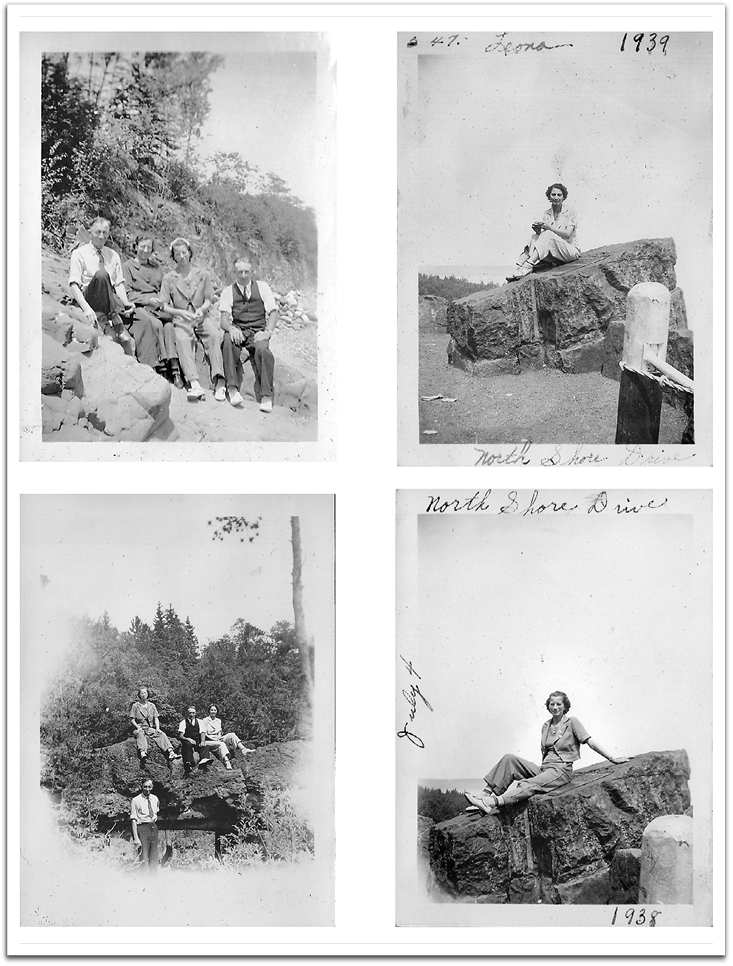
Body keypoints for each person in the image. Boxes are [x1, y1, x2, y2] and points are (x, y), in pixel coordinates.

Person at [464, 690, 631, 815]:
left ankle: (492, 802)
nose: (555, 707)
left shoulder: (572, 722)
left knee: (529, 784)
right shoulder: (546, 725)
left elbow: (590, 741)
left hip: (561, 770)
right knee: (509, 759)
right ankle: (483, 795)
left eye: (559, 704)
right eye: (552, 704)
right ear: (548, 706)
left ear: (565, 706)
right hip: (545, 769)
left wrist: (611, 758)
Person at [159, 237, 226, 401]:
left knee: (214, 335)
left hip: (201, 317)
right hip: (182, 319)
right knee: (182, 339)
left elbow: (209, 299)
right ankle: (194, 383)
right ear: (173, 256)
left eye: (184, 253)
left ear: (190, 254)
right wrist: (180, 313)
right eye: (177, 254)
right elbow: (164, 305)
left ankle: (220, 383)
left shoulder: (203, 274)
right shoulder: (169, 278)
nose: (181, 256)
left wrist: (202, 309)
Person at [68, 217, 137, 353]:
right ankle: (114, 317)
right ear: (90, 232)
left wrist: (126, 302)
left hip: (107, 298)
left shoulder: (113, 255)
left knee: (107, 280)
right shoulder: (79, 254)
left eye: (105, 233)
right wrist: (86, 309)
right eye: (97, 232)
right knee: (101, 275)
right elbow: (74, 284)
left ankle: (113, 314)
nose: (101, 236)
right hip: (89, 295)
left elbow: (118, 284)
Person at [122, 236, 183, 386]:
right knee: (155, 324)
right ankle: (160, 366)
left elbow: (164, 288)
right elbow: (128, 293)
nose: (145, 250)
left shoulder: (156, 267)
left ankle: (174, 369)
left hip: (157, 305)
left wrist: (162, 300)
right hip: (141, 305)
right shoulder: (127, 266)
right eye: (142, 246)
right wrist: (147, 300)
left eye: (149, 247)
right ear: (136, 246)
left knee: (169, 326)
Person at [219, 257, 279, 411]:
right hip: (240, 330)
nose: (244, 275)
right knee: (227, 340)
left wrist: (267, 332)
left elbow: (273, 312)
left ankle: (266, 395)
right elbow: (224, 320)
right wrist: (232, 329)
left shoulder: (263, 287)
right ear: (234, 273)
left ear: (252, 271)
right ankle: (232, 388)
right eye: (240, 272)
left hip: (258, 331)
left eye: (247, 271)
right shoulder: (228, 291)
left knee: (263, 350)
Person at [506, 183, 581, 281]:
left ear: (564, 197)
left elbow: (567, 234)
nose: (556, 197)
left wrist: (549, 228)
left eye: (559, 195)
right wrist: (538, 232)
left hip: (570, 251)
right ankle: (519, 267)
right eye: (553, 195)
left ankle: (528, 266)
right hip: (555, 255)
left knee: (548, 234)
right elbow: (545, 242)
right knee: (534, 237)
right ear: (549, 197)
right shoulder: (547, 213)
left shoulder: (571, 211)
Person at [129, 686, 180, 769]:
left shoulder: (152, 705)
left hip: (149, 728)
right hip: (139, 727)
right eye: (141, 693)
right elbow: (132, 719)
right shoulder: (135, 705)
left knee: (161, 734)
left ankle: (170, 752)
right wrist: (137, 727)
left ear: (148, 694)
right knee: (140, 734)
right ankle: (143, 752)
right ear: (139, 694)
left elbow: (156, 717)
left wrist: (158, 728)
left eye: (145, 692)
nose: (143, 694)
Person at [200, 704, 254, 770]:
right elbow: (204, 733)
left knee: (232, 735)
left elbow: (219, 731)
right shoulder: (205, 720)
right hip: (209, 740)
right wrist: (215, 739)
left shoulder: (218, 720)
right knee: (222, 744)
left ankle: (243, 749)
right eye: (212, 710)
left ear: (217, 711)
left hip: (217, 738)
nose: (213, 712)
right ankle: (227, 762)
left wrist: (220, 737)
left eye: (215, 710)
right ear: (209, 711)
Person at [130, 777, 160, 873]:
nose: (147, 789)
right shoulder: (136, 800)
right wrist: (136, 838)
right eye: (145, 787)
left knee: (154, 856)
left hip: (153, 828)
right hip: (142, 828)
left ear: (152, 787)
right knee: (143, 857)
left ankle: (153, 881)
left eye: (149, 787)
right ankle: (142, 881)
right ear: (141, 787)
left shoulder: (155, 799)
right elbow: (133, 819)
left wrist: (155, 815)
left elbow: (156, 811)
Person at [177, 705, 213, 777]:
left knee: (205, 746)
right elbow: (180, 736)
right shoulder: (183, 722)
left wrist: (202, 741)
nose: (191, 715)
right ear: (187, 713)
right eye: (190, 713)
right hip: (187, 740)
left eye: (193, 713)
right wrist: (188, 739)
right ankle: (189, 763)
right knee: (186, 745)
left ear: (195, 713)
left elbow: (203, 732)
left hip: (197, 740)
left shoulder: (199, 722)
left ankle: (204, 760)